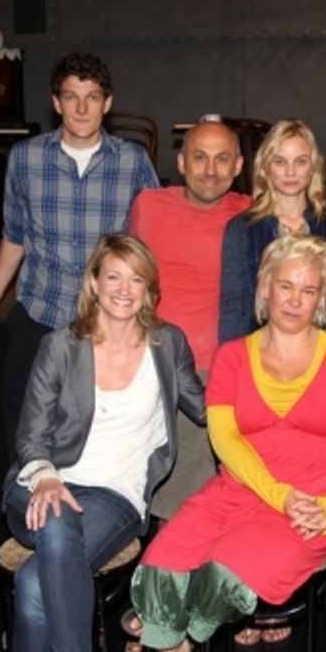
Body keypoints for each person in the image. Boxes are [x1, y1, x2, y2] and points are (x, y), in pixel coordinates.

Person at [129, 234, 326, 652]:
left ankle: (179, 640)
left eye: (309, 290)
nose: (295, 300)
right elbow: (226, 441)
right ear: (265, 288)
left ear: (321, 299)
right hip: (240, 490)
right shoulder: (231, 357)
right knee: (158, 565)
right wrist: (278, 493)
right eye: (286, 286)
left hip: (316, 502)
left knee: (222, 574)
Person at [2, 233, 205, 652]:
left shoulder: (167, 344)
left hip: (114, 498)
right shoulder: (60, 346)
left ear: (149, 290)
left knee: (34, 583)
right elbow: (30, 435)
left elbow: (209, 406)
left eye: (136, 279)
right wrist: (46, 476)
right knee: (57, 520)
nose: (123, 289)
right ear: (93, 282)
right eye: (112, 276)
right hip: (40, 483)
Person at [0, 53, 159, 452]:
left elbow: (148, 242)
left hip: (105, 322)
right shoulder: (25, 157)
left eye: (91, 97)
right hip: (40, 314)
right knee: (26, 434)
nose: (81, 108)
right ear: (56, 102)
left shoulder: (132, 161)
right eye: (71, 96)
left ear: (107, 103)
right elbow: (15, 236)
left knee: (100, 438)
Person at [130, 120, 251, 525]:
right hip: (144, 367)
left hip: (208, 373)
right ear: (181, 162)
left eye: (222, 159)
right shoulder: (148, 205)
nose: (210, 170)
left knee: (185, 508)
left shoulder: (252, 214)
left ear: (238, 166)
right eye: (199, 157)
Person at [219, 118, 326, 344]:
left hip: (320, 348)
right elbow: (235, 307)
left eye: (300, 161)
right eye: (280, 161)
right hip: (262, 348)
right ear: (266, 166)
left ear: (313, 167)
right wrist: (232, 359)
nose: (290, 171)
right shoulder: (243, 229)